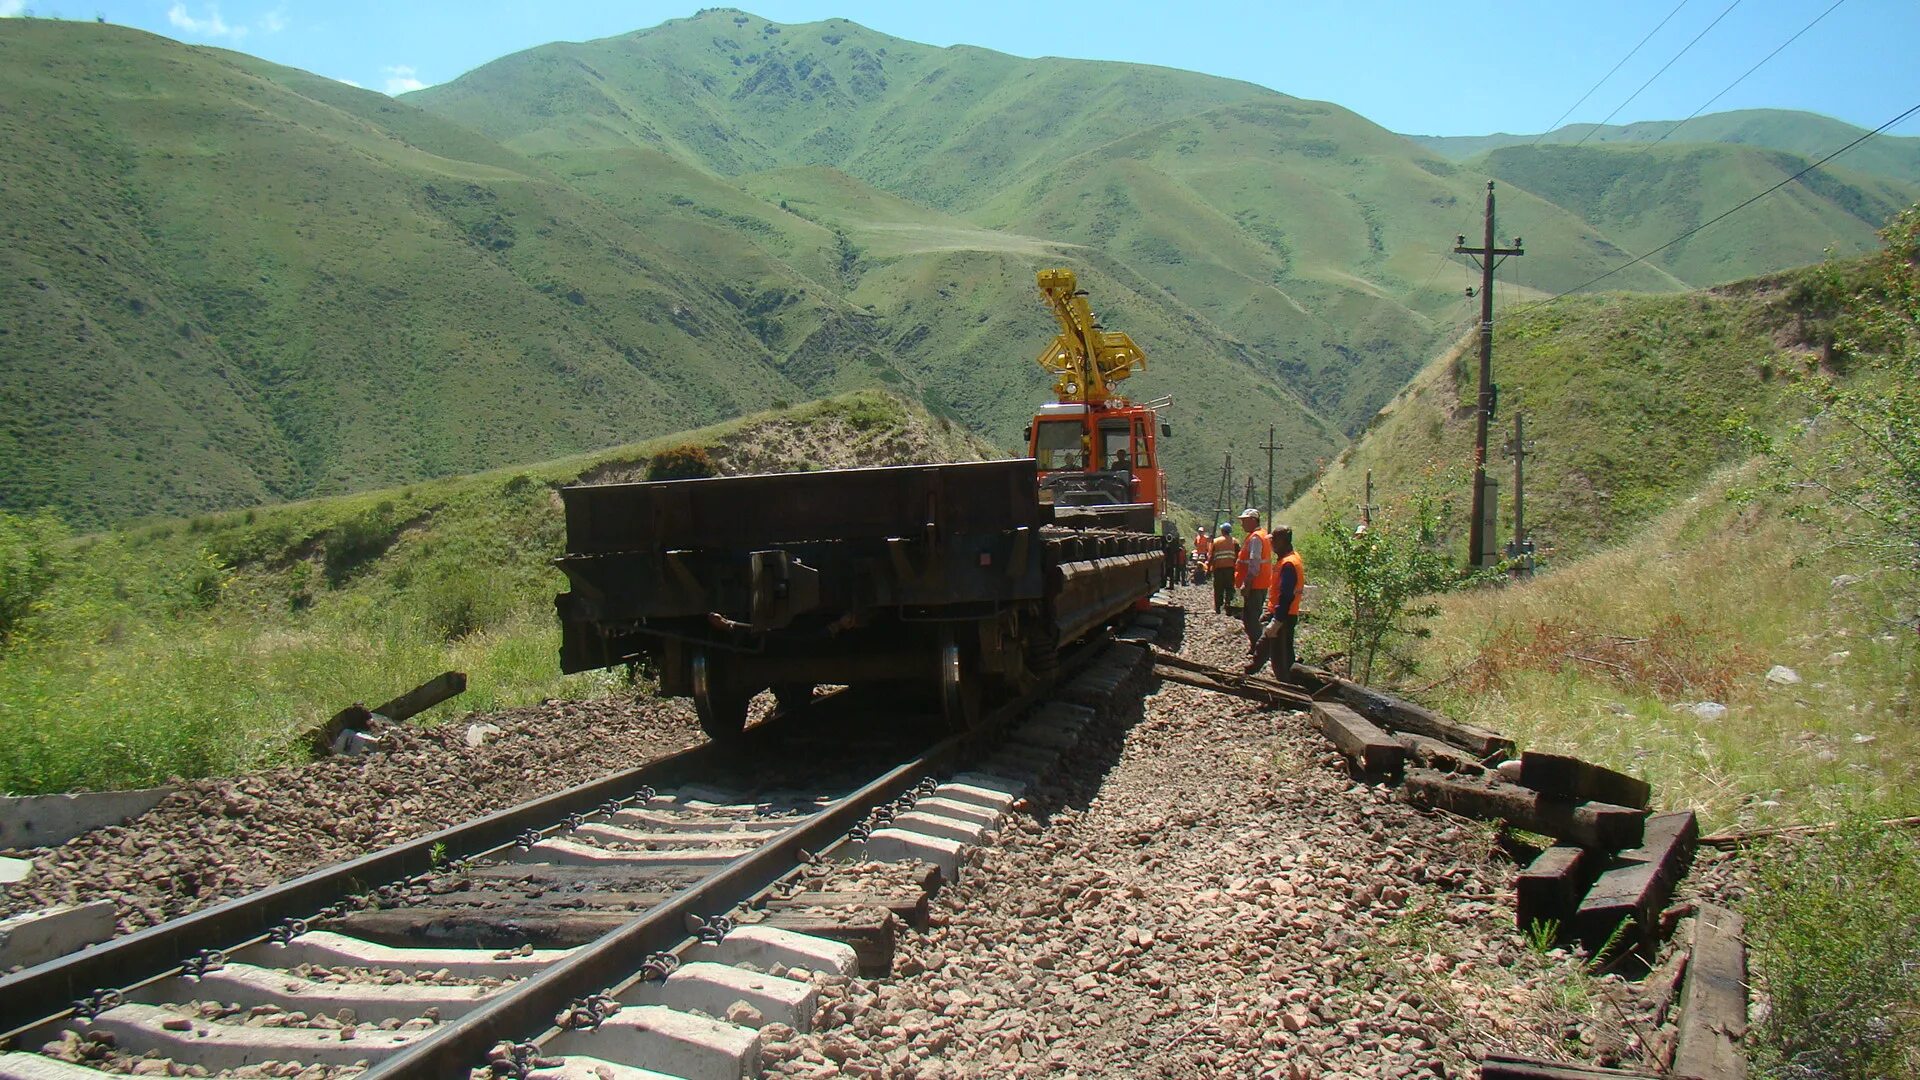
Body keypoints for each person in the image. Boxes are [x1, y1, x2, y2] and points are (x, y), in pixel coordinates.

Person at [1244, 525, 1306, 679]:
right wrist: (1270, 613)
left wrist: (1277, 620)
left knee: (1281, 658)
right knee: (1264, 646)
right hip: (1281, 614)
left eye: (1274, 541)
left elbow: (1286, 595)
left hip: (1285, 617)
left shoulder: (1288, 563)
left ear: (1283, 541)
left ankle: (1287, 690)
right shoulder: (1286, 560)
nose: (1272, 545)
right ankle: (1249, 672)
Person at [1233, 509, 1273, 648]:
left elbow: (1254, 562)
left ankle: (1259, 647)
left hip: (1255, 584)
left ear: (1253, 520)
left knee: (1251, 618)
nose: (1242, 524)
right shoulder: (1261, 535)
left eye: (1244, 521)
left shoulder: (1256, 537)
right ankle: (1258, 645)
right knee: (1252, 616)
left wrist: (1247, 582)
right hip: (1260, 583)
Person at [1209, 523, 1239, 614]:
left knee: (1218, 589)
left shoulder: (1216, 541)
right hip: (1230, 569)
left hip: (1218, 569)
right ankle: (1228, 606)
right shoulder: (1235, 541)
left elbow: (1211, 556)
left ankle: (1218, 608)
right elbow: (1238, 555)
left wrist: (1208, 569)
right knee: (1229, 588)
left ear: (1222, 531)